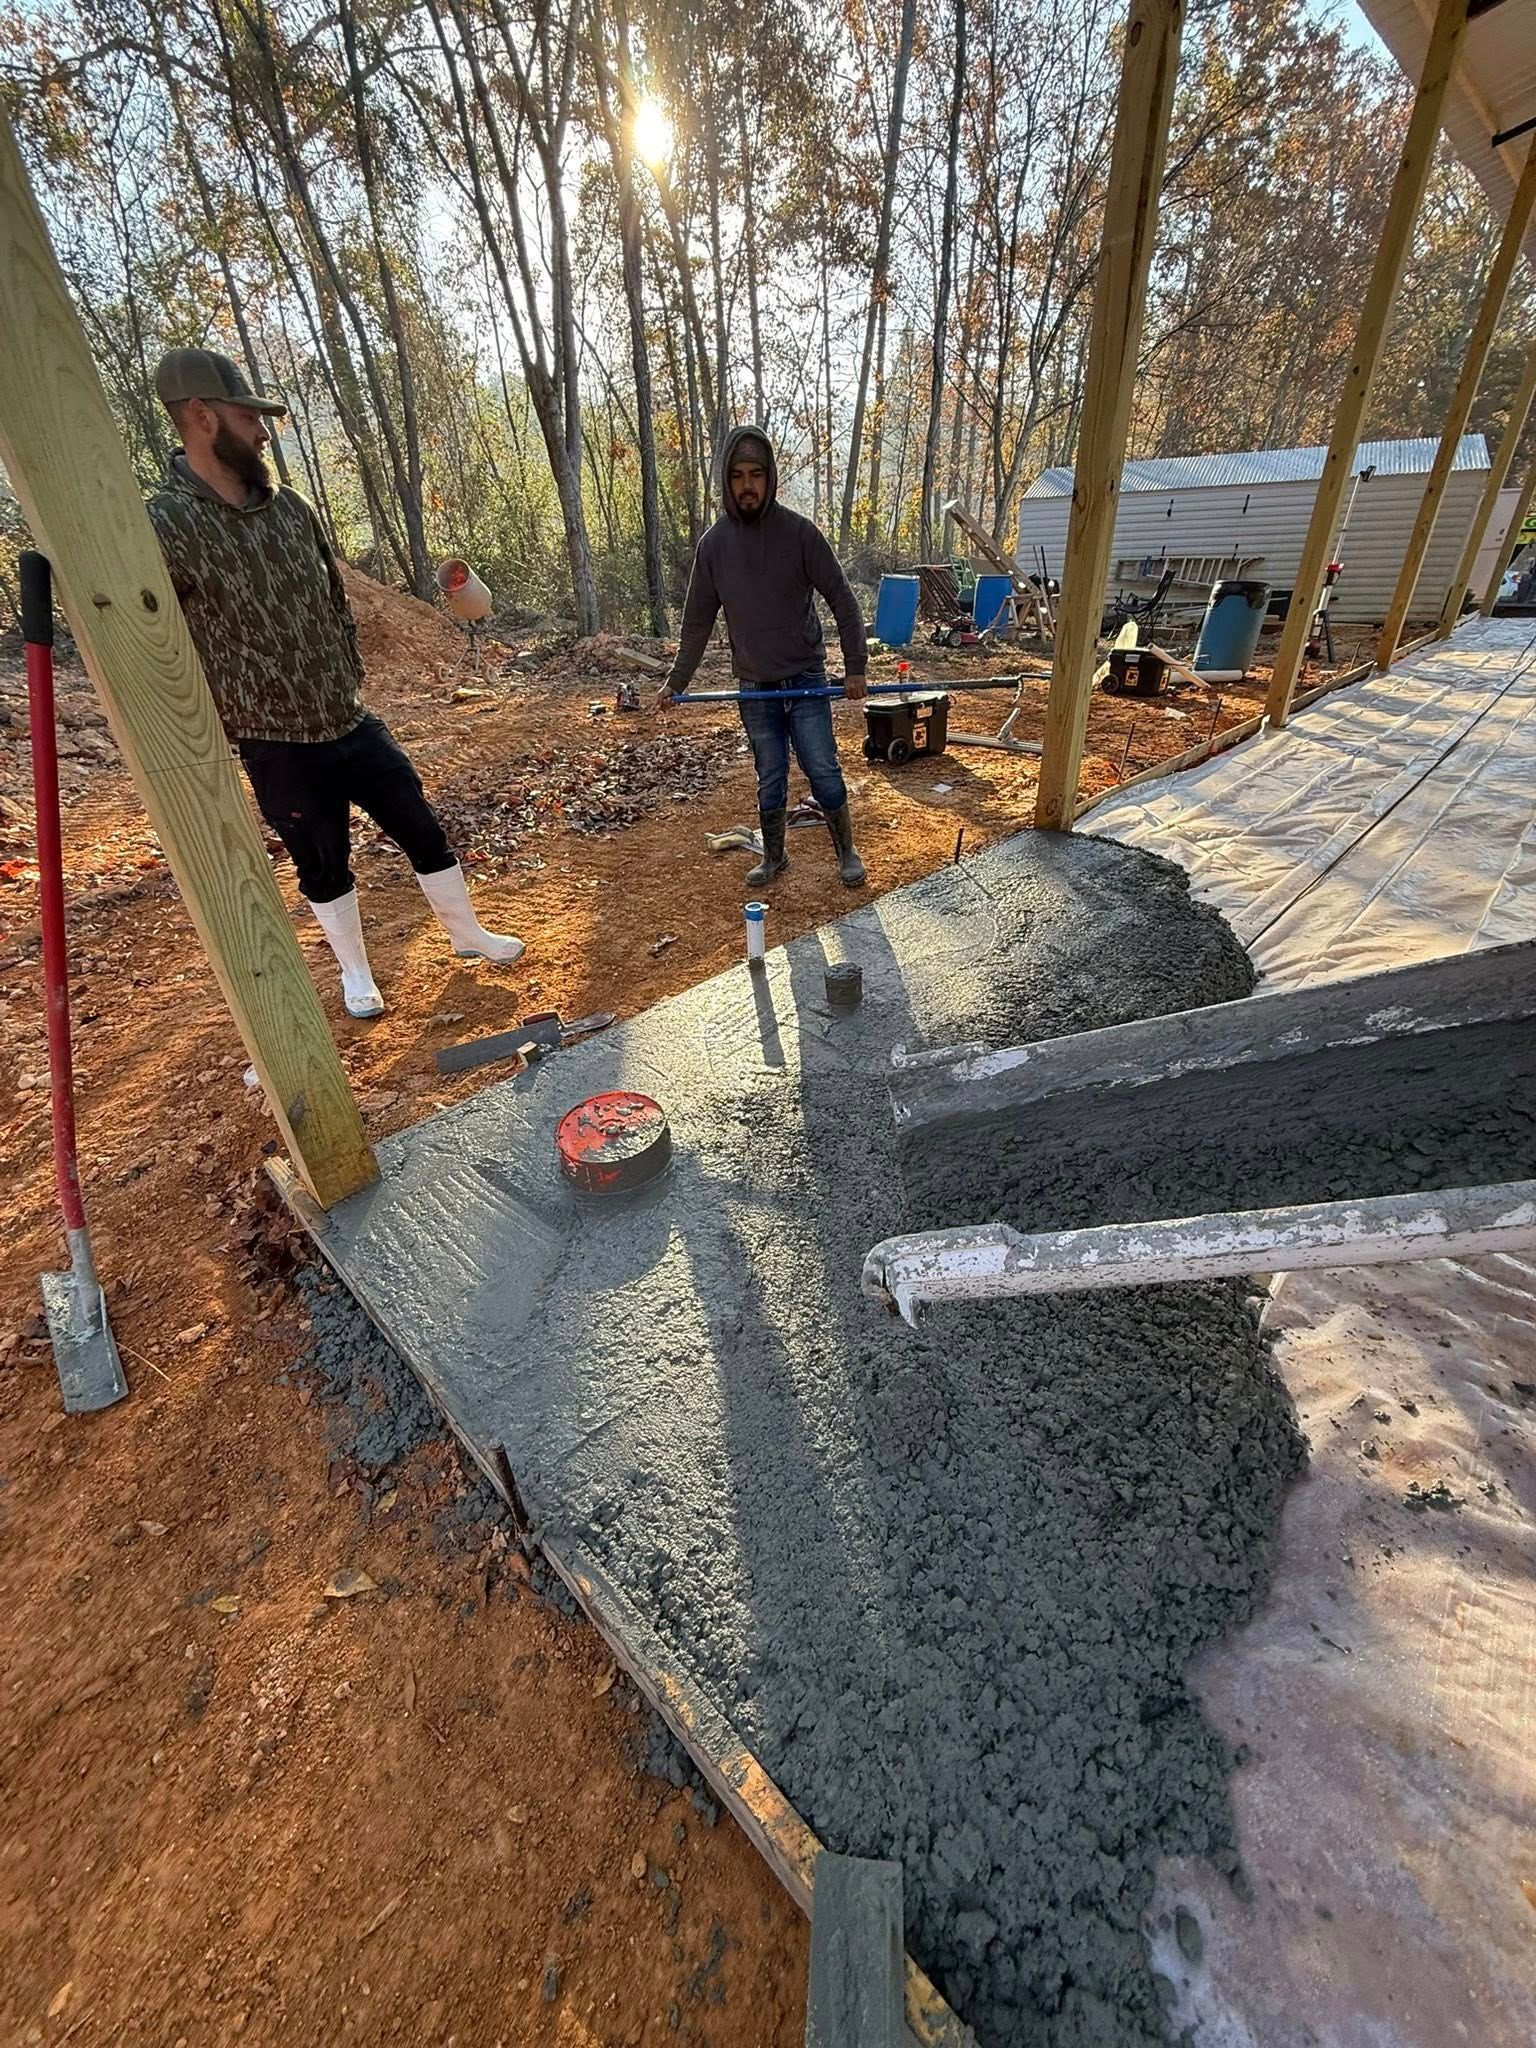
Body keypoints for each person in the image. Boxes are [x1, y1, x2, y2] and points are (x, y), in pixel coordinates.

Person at [145, 346, 522, 1021]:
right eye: (247, 417)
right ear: (201, 416)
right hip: (275, 740)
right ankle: (356, 974)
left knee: (420, 824)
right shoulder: (163, 524)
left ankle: (467, 934)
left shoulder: (290, 507)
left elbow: (332, 597)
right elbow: (159, 635)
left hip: (347, 716)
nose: (262, 431)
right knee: (322, 860)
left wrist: (346, 671)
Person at [658, 427, 867, 888]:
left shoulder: (800, 533)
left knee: (822, 769)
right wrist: (676, 681)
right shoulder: (713, 546)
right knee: (769, 775)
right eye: (737, 476)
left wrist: (855, 667)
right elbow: (696, 622)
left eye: (756, 474)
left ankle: (847, 851)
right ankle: (775, 857)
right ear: (726, 481)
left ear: (770, 477)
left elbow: (843, 600)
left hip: (806, 681)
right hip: (754, 688)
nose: (747, 485)